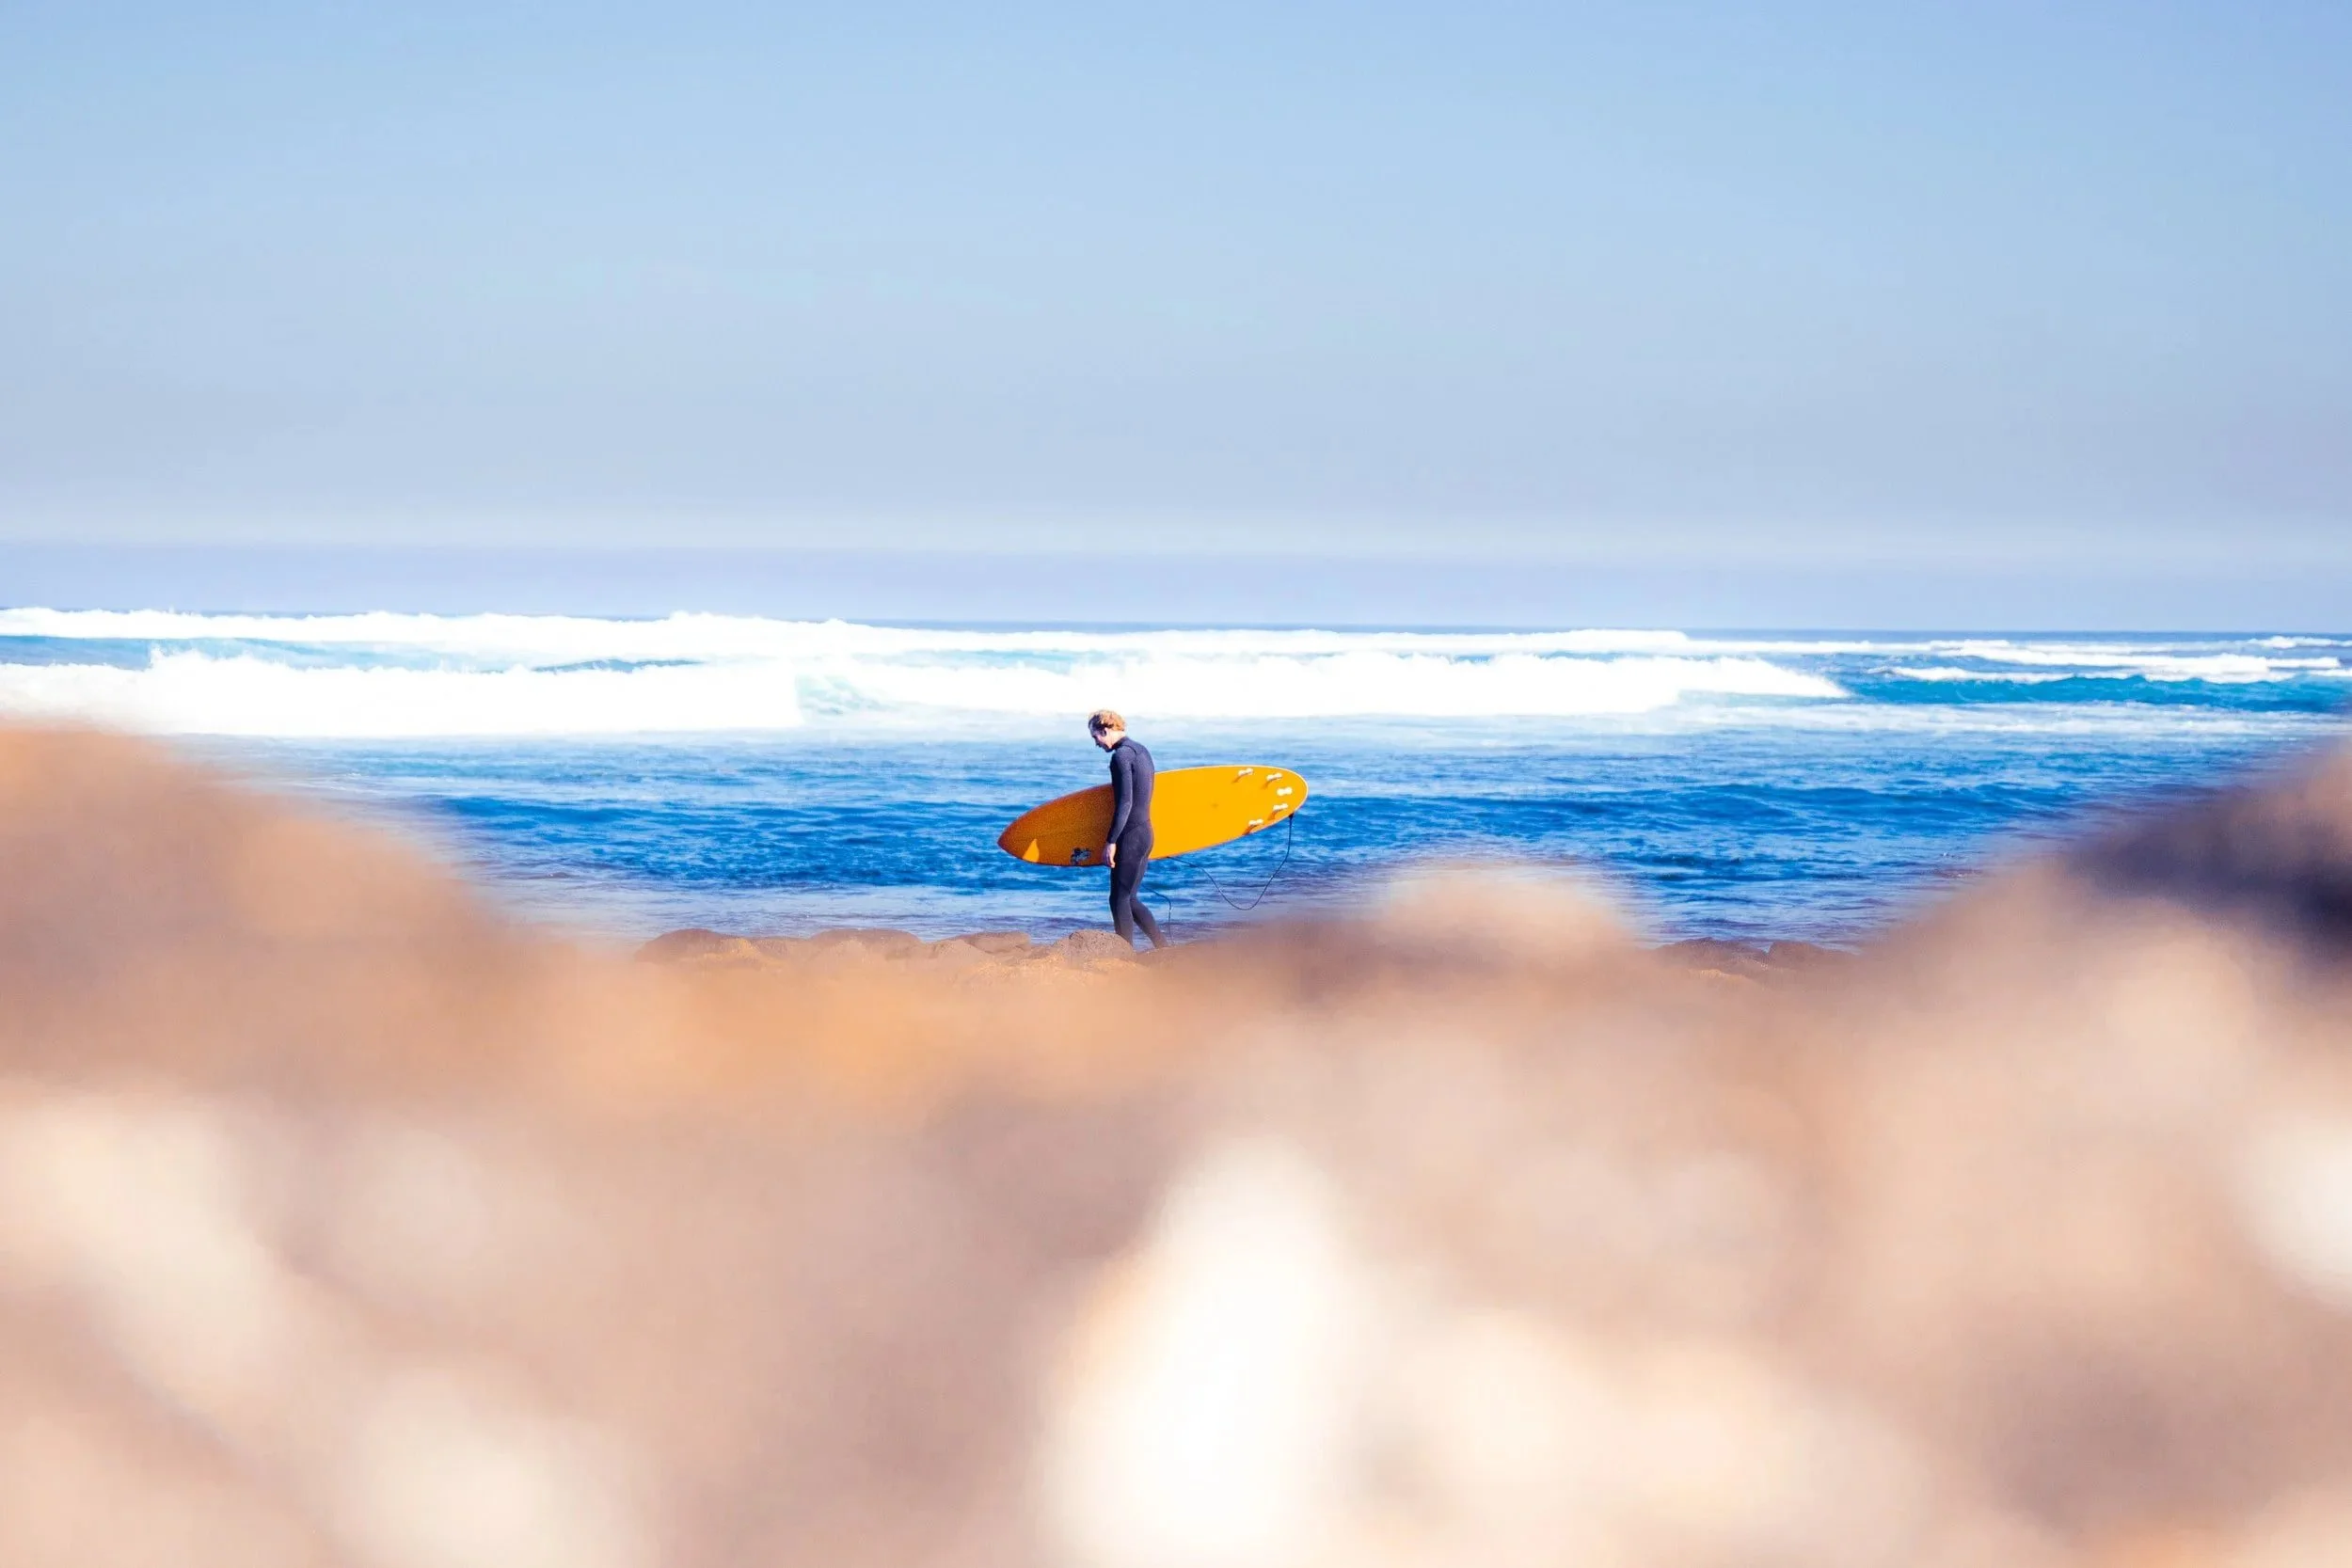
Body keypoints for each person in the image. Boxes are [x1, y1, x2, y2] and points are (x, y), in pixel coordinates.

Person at [1089, 709, 1168, 950]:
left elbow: (1125, 802)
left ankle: (1123, 955)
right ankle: (1163, 948)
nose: (1097, 744)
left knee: (1119, 899)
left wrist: (1111, 841)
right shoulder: (1140, 750)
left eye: (1096, 738)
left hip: (1131, 836)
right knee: (1129, 897)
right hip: (1145, 833)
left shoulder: (1121, 757)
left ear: (1106, 730)